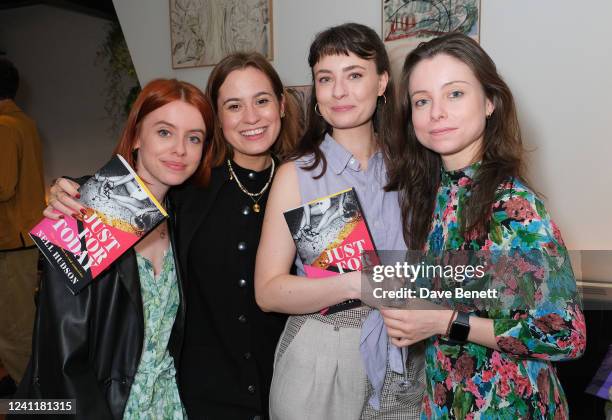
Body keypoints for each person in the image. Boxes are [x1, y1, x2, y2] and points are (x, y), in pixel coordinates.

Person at [44, 52, 303, 419]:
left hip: (278, 393)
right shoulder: (187, 191)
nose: (250, 117)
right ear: (219, 119)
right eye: (233, 105)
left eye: (261, 101)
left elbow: (339, 275)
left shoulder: (306, 185)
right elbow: (60, 349)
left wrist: (402, 294)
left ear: (280, 105)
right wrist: (70, 191)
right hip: (187, 400)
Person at [381, 32, 586, 418]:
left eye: (454, 93)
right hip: (448, 400)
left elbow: (565, 336)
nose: (436, 112)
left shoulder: (512, 205)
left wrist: (443, 321)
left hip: (509, 406)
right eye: (422, 101)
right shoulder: (435, 196)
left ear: (490, 101)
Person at [16, 78, 215, 419]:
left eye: (193, 137)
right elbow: (60, 356)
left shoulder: (184, 217)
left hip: (167, 406)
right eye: (165, 132)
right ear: (137, 136)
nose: (180, 149)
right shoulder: (88, 208)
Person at [255, 23, 424, 420]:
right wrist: (355, 283)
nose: (339, 92)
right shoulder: (297, 175)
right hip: (323, 354)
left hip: (405, 352)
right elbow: (268, 291)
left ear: (382, 81)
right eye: (325, 79)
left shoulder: (413, 169)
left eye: (354, 75)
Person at [0, 58, 45, 389]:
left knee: (13, 331)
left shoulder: (3, 126)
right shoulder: (23, 122)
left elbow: (2, 185)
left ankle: (31, 400)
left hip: (10, 242)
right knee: (19, 327)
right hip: (23, 239)